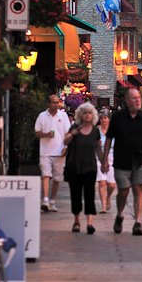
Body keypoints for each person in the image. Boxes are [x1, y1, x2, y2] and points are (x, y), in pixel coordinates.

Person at [104, 87, 142, 236]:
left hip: (141, 160)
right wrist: (105, 159)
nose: (138, 100)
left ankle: (138, 222)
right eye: (134, 98)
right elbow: (109, 139)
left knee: (138, 189)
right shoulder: (118, 118)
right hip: (122, 160)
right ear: (127, 101)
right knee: (123, 190)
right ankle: (120, 215)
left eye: (138, 97)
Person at [63, 102, 106, 234]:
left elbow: (98, 148)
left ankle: (89, 223)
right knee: (75, 194)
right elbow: (65, 142)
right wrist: (73, 134)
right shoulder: (74, 127)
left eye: (89, 113)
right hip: (74, 166)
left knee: (89, 194)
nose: (87, 115)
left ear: (93, 115)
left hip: (90, 167)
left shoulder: (95, 131)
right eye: (85, 113)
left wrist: (104, 162)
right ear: (80, 115)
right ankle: (76, 221)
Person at [35, 94, 70, 213]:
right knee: (45, 175)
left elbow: (68, 133)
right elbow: (37, 132)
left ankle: (52, 201)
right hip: (45, 151)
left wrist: (66, 147)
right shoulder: (42, 116)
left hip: (59, 152)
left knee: (57, 178)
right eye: (53, 102)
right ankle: (45, 200)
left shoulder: (63, 116)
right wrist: (46, 134)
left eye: (57, 102)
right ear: (48, 104)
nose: (56, 104)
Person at [96, 115, 116, 213]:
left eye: (105, 118)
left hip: (112, 158)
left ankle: (108, 197)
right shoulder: (96, 131)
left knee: (111, 184)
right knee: (102, 182)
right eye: (102, 118)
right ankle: (103, 206)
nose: (103, 120)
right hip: (99, 157)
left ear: (109, 119)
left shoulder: (113, 131)